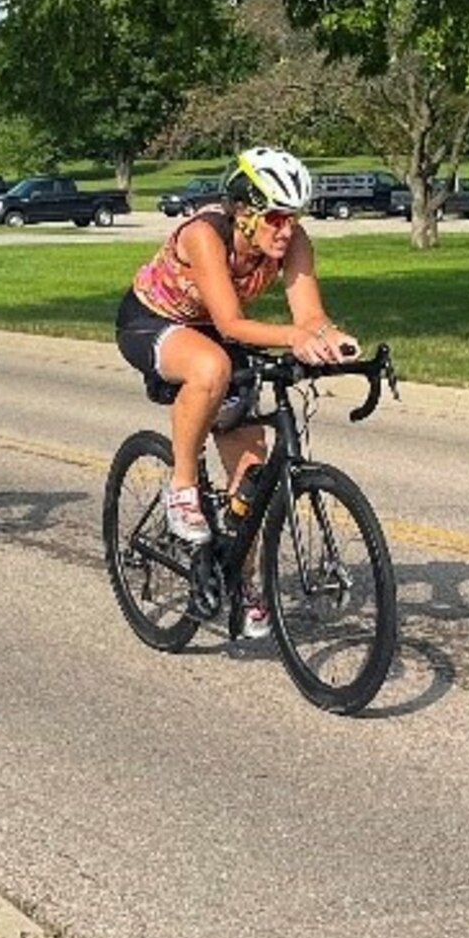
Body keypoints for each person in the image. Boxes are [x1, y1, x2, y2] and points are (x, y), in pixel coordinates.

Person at [114, 146, 358, 636]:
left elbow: (309, 316)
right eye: (275, 218)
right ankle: (182, 488)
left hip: (220, 334)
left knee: (250, 469)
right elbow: (231, 322)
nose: (286, 230)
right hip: (154, 321)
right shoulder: (206, 235)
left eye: (293, 218)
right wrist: (296, 339)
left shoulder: (293, 241)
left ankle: (239, 579)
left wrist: (333, 339)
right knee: (210, 367)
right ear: (243, 212)